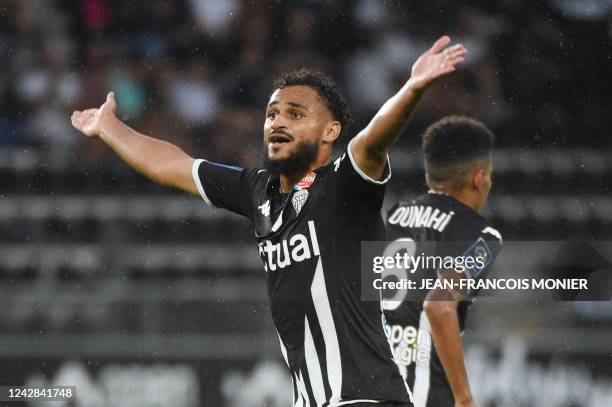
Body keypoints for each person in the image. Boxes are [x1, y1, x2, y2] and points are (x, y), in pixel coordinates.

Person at [71, 36, 467, 407]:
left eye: (295, 114)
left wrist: (412, 89)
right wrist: (109, 127)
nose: (278, 122)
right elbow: (173, 165)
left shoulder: (344, 186)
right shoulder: (257, 191)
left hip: (364, 397)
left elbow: (372, 141)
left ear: (330, 132)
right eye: (272, 113)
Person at [383, 116, 503, 407]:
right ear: (479, 177)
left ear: (429, 176)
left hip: (373, 386)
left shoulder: (395, 215)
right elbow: (438, 306)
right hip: (424, 395)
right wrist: (464, 398)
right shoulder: (484, 238)